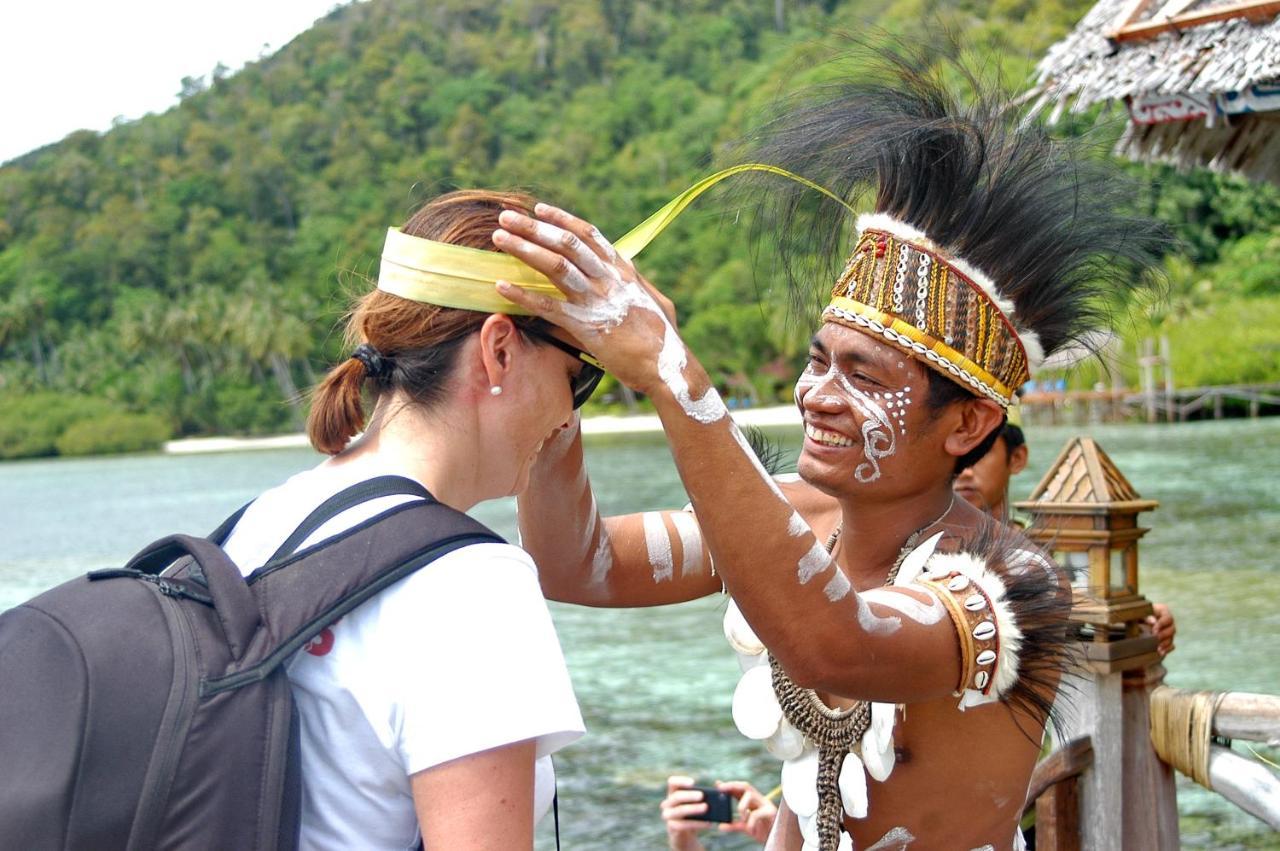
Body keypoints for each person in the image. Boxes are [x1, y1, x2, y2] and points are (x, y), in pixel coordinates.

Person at [495, 53, 1165, 850]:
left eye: (863, 375)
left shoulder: (1010, 585)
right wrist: (568, 375)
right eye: (818, 360)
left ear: (968, 424)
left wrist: (674, 377)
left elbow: (835, 646)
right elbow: (577, 563)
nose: (817, 393)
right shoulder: (790, 518)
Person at [218, 190, 589, 849]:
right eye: (576, 378)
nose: (569, 415)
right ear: (499, 350)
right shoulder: (472, 581)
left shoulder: (261, 520)